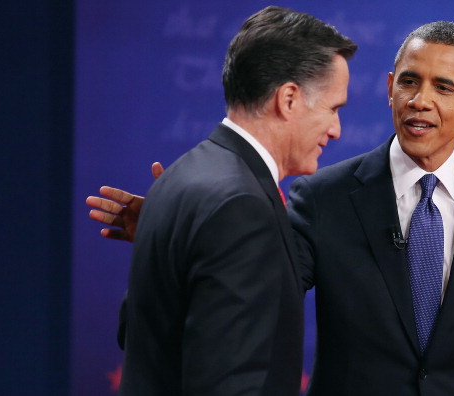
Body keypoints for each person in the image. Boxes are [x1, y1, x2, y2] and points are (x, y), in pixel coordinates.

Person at [89, 21, 454, 395]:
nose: (420, 100)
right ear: (389, 88)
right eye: (409, 81)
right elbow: (242, 292)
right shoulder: (322, 198)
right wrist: (177, 238)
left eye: (443, 87)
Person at [87, 6, 357, 396]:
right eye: (333, 108)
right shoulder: (241, 206)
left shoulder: (180, 177)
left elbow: (138, 332)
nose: (335, 130)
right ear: (289, 99)